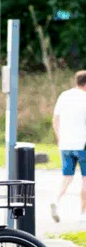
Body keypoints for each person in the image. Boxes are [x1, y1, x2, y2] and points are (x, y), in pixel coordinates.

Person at [51, 70, 86, 224]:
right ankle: (82, 214)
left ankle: (56, 201)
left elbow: (55, 119)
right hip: (82, 144)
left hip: (65, 144)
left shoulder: (64, 96)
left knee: (67, 177)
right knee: (85, 179)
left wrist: (60, 138)